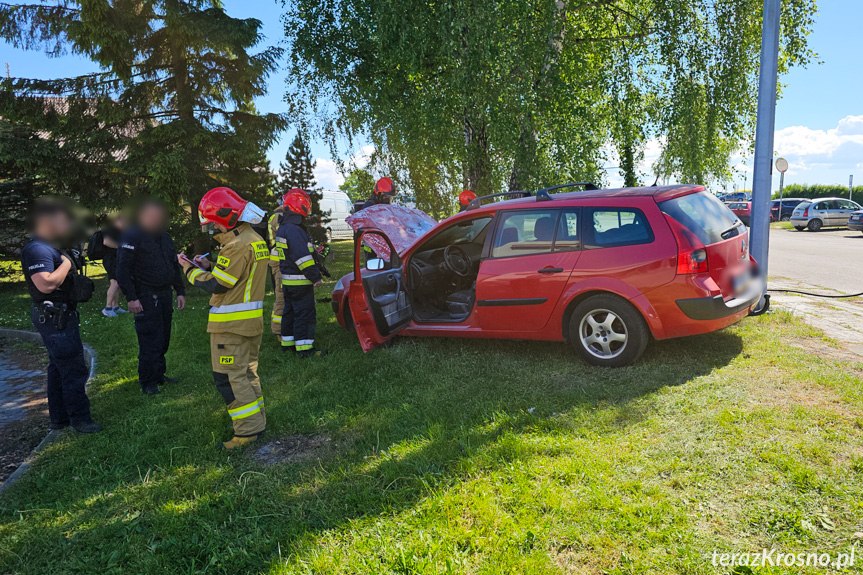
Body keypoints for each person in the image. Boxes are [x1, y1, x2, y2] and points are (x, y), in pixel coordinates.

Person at [179, 187, 270, 450]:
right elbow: (236, 275)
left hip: (230, 326)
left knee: (230, 378)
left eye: (213, 224)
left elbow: (220, 285)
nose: (212, 229)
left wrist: (189, 271)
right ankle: (257, 421)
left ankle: (247, 432)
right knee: (247, 373)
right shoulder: (251, 238)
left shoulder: (237, 245)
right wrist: (208, 266)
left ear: (228, 217)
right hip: (248, 323)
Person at [21, 199, 101, 434]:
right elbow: (45, 284)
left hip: (60, 313)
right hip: (54, 315)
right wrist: (66, 263)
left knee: (58, 368)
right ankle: (80, 420)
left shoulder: (51, 246)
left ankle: (60, 419)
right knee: (74, 369)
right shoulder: (37, 249)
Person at [115, 199, 186, 396]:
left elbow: (174, 265)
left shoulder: (165, 237)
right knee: (149, 339)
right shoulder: (132, 236)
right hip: (145, 294)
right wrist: (131, 297)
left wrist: (180, 291)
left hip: (165, 293)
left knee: (164, 338)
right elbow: (122, 270)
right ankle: (147, 381)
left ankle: (159, 374)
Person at [275, 188, 326, 357]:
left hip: (288, 281)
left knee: (289, 312)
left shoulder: (283, 227)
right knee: (304, 314)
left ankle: (287, 344)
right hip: (300, 281)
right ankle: (305, 349)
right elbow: (302, 257)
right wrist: (315, 276)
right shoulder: (295, 230)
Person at [101, 213, 130, 317]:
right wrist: (122, 247)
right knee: (116, 283)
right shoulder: (111, 229)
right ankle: (107, 308)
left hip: (116, 259)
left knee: (115, 284)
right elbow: (106, 242)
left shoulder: (120, 231)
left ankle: (115, 307)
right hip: (110, 260)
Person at [266, 200, 286, 344]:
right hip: (279, 261)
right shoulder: (279, 216)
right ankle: (278, 331)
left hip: (281, 260)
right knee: (281, 296)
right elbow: (286, 237)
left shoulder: (279, 215)